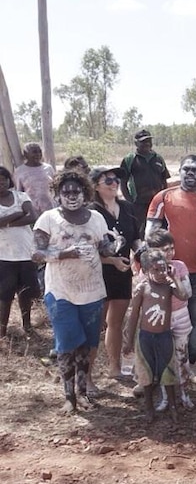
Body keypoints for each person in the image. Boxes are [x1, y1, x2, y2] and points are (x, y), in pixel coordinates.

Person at [32, 169, 115, 413]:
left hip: (92, 291)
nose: (70, 195)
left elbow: (104, 247)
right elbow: (37, 254)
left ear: (85, 193)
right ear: (57, 194)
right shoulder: (48, 219)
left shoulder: (96, 218)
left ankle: (83, 392)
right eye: (65, 191)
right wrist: (65, 254)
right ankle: (69, 398)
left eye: (75, 191)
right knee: (67, 344)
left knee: (87, 346)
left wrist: (114, 245)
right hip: (60, 292)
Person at [147, 154, 196, 383]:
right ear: (179, 171)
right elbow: (150, 236)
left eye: (195, 170)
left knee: (195, 322)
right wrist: (153, 269)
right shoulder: (164, 198)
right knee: (162, 321)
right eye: (186, 169)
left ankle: (193, 365)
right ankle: (160, 369)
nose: (190, 173)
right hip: (166, 274)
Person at [122, 248, 189, 424]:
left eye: (164, 269)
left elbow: (184, 295)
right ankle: (149, 408)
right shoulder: (142, 288)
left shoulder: (169, 286)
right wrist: (129, 341)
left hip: (164, 337)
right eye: (156, 270)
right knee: (146, 375)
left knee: (168, 373)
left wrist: (175, 277)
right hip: (145, 338)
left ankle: (173, 406)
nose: (161, 274)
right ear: (145, 271)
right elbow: (134, 315)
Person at [89, 166, 141, 378]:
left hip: (122, 272)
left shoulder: (127, 207)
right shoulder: (90, 212)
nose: (114, 183)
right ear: (95, 186)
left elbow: (135, 238)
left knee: (116, 323)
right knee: (94, 326)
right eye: (108, 180)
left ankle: (115, 369)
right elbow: (87, 249)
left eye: (116, 180)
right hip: (96, 274)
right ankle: (88, 376)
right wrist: (110, 260)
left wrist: (142, 254)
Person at [144, 230, 194, 411]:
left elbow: (187, 293)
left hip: (179, 315)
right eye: (165, 250)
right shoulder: (148, 271)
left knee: (182, 357)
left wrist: (173, 279)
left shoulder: (179, 266)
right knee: (163, 359)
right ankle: (166, 397)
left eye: (171, 248)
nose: (170, 253)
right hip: (159, 319)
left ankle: (184, 395)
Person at [0, 166, 38, 337]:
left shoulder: (21, 196)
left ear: (9, 180)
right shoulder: (19, 203)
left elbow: (32, 216)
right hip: (4, 255)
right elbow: (24, 214)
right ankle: (2, 329)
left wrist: (6, 222)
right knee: (4, 296)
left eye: (3, 179)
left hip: (25, 252)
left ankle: (27, 326)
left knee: (25, 293)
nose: (1, 183)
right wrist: (16, 213)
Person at [120, 129, 170, 238]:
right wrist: (130, 202)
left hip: (158, 203)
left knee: (159, 232)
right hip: (139, 204)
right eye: (143, 141)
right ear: (136, 143)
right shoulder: (129, 159)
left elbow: (164, 180)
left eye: (148, 141)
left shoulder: (158, 158)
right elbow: (123, 183)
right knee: (140, 233)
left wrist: (164, 199)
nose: (146, 144)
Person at [15, 142, 55, 218]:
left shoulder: (48, 168)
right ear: (26, 155)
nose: (38, 154)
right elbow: (19, 192)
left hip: (50, 208)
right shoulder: (20, 171)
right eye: (34, 152)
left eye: (39, 151)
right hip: (32, 211)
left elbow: (55, 186)